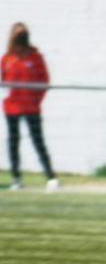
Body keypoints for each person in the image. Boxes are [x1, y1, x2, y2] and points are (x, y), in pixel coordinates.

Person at [1, 22, 57, 191]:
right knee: (13, 142)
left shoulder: (35, 57)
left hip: (31, 108)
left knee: (38, 141)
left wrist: (36, 99)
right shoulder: (7, 58)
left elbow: (44, 80)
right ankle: (16, 178)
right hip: (12, 108)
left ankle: (51, 177)